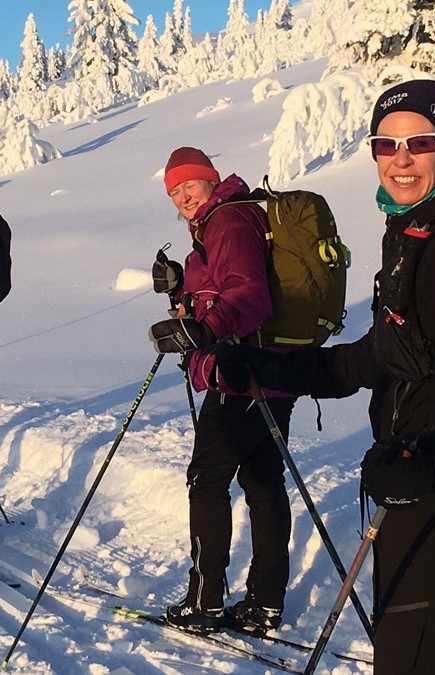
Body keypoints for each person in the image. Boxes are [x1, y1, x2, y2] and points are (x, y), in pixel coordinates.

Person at [219, 79, 435, 674]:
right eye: (385, 144)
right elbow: (379, 357)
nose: (401, 158)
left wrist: (434, 451)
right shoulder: (423, 231)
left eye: (419, 142)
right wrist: (268, 366)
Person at [143, 147, 298, 636]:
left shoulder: (228, 222)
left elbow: (249, 296)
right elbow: (218, 293)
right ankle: (264, 602)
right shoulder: (227, 220)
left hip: (239, 374)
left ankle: (206, 601)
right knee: (263, 483)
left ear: (211, 181)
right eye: (174, 191)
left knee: (208, 481)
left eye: (190, 184)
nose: (183, 196)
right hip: (272, 371)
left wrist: (201, 333)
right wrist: (179, 293)